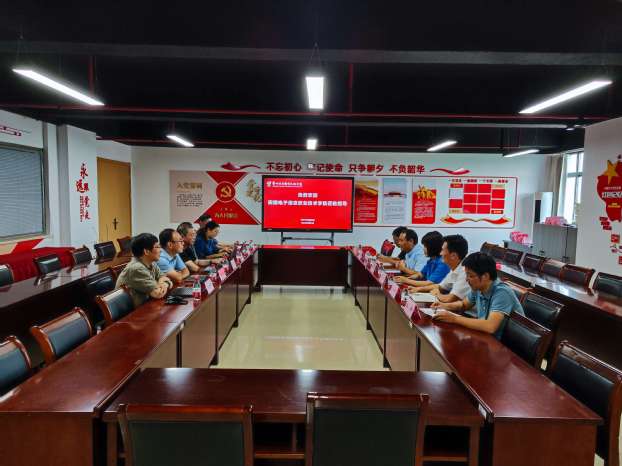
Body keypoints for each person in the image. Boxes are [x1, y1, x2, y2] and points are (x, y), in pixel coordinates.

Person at [432, 252, 525, 339]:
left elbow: (490, 326)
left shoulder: (502, 292)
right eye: (466, 275)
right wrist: (444, 305)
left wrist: (454, 319)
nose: (467, 279)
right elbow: (463, 304)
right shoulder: (478, 288)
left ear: (485, 276)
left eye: (471, 276)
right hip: (487, 337)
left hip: (505, 345)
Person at [115, 233, 173, 307]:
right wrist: (164, 283)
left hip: (146, 305)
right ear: (146, 252)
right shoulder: (137, 268)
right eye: (157, 247)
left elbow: (165, 278)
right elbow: (157, 294)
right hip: (133, 312)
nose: (161, 250)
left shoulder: (151, 263)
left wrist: (164, 283)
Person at [409, 234, 470, 303]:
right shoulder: (455, 268)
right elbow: (440, 286)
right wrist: (418, 289)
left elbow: (450, 298)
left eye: (442, 250)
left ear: (453, 255)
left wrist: (437, 294)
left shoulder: (465, 271)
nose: (440, 253)